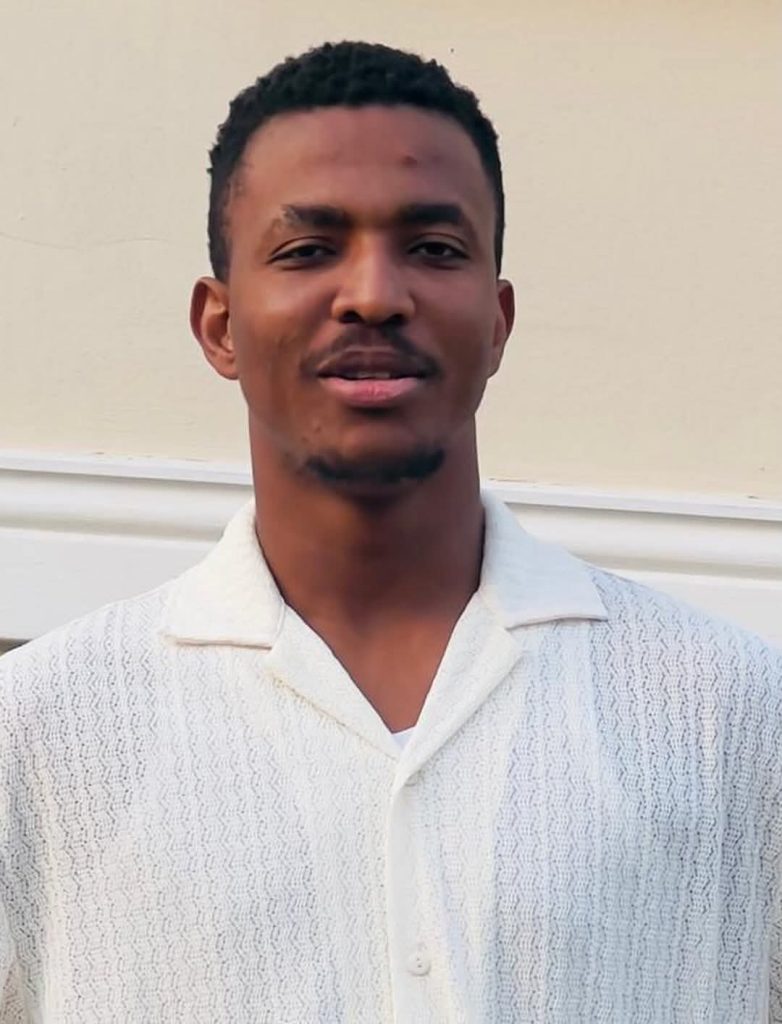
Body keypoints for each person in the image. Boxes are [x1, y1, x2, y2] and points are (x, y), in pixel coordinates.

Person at [1, 40, 781, 1024]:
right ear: (220, 326)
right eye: (307, 249)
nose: (372, 294)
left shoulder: (729, 715)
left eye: (434, 248)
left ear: (497, 322)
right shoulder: (39, 732)